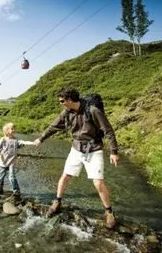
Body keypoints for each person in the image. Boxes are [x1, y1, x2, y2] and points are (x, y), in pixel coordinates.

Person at [33, 87, 119, 229]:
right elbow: (53, 127)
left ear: (70, 100)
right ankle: (57, 202)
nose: (61, 103)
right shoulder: (66, 112)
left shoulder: (92, 111)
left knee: (98, 183)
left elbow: (108, 130)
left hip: (94, 150)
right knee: (65, 176)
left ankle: (109, 212)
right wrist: (41, 139)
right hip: (76, 149)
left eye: (62, 101)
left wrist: (114, 151)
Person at [0, 122, 36, 198]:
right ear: (7, 130)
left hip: (11, 162)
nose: (14, 130)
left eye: (14, 128)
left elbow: (24, 142)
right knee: (1, 176)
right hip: (3, 162)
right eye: (12, 128)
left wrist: (33, 143)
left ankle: (16, 191)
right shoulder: (3, 139)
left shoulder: (16, 140)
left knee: (12, 177)